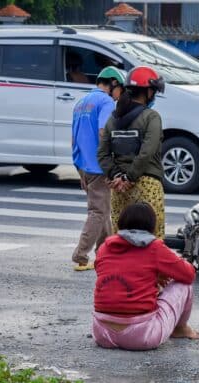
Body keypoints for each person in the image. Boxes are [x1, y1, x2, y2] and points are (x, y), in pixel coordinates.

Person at [92, 202, 199, 350]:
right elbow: (188, 274)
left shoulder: (105, 247)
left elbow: (112, 274)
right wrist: (160, 272)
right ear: (152, 226)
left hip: (102, 334)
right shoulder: (154, 247)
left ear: (120, 223)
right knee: (184, 285)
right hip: (142, 336)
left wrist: (152, 276)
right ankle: (180, 329)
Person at [97, 66, 166, 239]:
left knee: (120, 240)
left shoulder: (113, 118)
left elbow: (102, 154)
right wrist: (129, 178)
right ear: (148, 92)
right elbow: (147, 152)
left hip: (118, 189)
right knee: (153, 240)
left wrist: (117, 175)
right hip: (147, 185)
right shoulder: (151, 117)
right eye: (154, 91)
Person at [71, 66, 125, 271]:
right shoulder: (106, 102)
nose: (120, 95)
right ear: (113, 84)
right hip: (99, 165)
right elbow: (104, 132)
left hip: (84, 164)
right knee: (97, 211)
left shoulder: (81, 103)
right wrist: (112, 163)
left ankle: (103, 252)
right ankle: (80, 253)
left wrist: (79, 168)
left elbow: (74, 139)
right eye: (121, 88)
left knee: (103, 210)